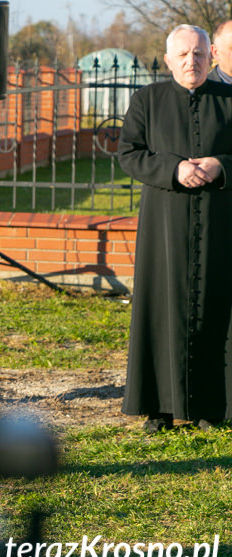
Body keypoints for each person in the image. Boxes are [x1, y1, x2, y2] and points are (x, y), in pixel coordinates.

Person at [119, 24, 232, 433]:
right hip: (163, 223)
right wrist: (173, 167)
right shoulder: (146, 100)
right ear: (168, 60)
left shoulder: (230, 100)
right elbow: (129, 155)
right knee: (161, 308)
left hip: (220, 223)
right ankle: (160, 408)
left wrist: (221, 164)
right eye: (183, 55)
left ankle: (210, 407)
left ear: (211, 57)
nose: (192, 61)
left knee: (217, 308)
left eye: (199, 54)